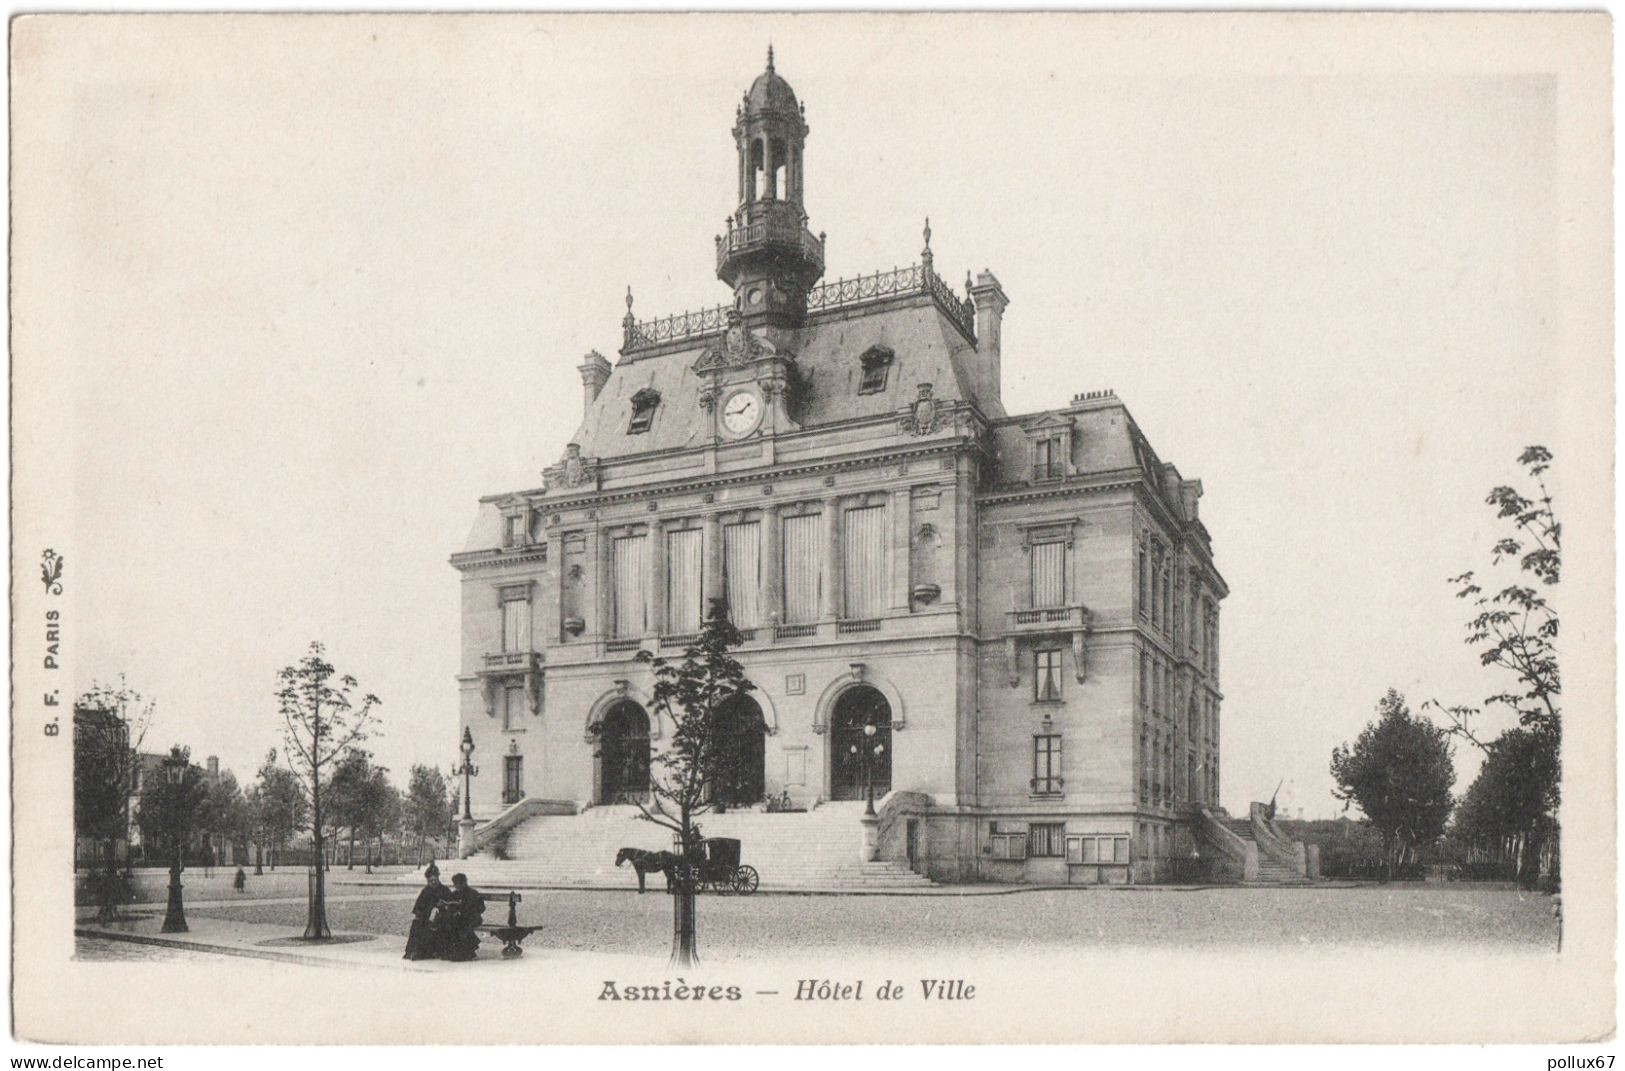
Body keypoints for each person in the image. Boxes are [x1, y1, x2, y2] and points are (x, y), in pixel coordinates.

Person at [435, 873, 486, 962]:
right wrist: (443, 905)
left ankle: (465, 952)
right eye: (455, 884)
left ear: (464, 883)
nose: (457, 887)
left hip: (473, 918)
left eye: (459, 884)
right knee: (444, 922)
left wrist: (465, 911)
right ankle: (449, 951)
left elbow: (481, 908)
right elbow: (450, 905)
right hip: (458, 918)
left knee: (458, 924)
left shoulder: (472, 893)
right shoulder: (455, 894)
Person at [403, 863, 447, 961]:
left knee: (433, 924)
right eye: (431, 881)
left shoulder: (444, 890)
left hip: (441, 917)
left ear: (438, 879)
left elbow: (450, 905)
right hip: (426, 917)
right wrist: (423, 914)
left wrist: (440, 908)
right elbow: (418, 907)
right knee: (417, 923)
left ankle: (427, 952)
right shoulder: (425, 891)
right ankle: (415, 951)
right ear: (427, 881)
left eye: (435, 880)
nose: (433, 883)